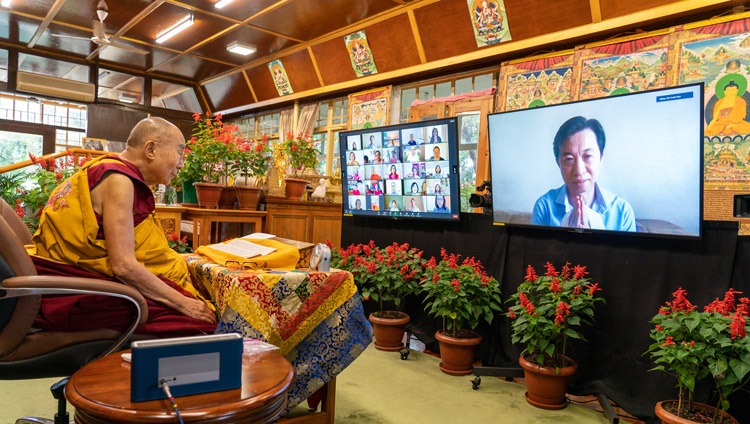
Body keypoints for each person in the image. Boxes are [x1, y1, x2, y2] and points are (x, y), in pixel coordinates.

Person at [27, 117, 217, 337]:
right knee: (202, 326)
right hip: (81, 294)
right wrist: (184, 304)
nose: (181, 163)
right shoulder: (119, 180)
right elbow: (124, 266)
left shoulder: (103, 169)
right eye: (180, 152)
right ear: (151, 149)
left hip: (72, 279)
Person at [531, 116, 636, 231]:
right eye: (569, 159)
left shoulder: (622, 212)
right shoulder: (545, 207)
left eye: (587, 156)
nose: (579, 170)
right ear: (558, 163)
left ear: (601, 158)